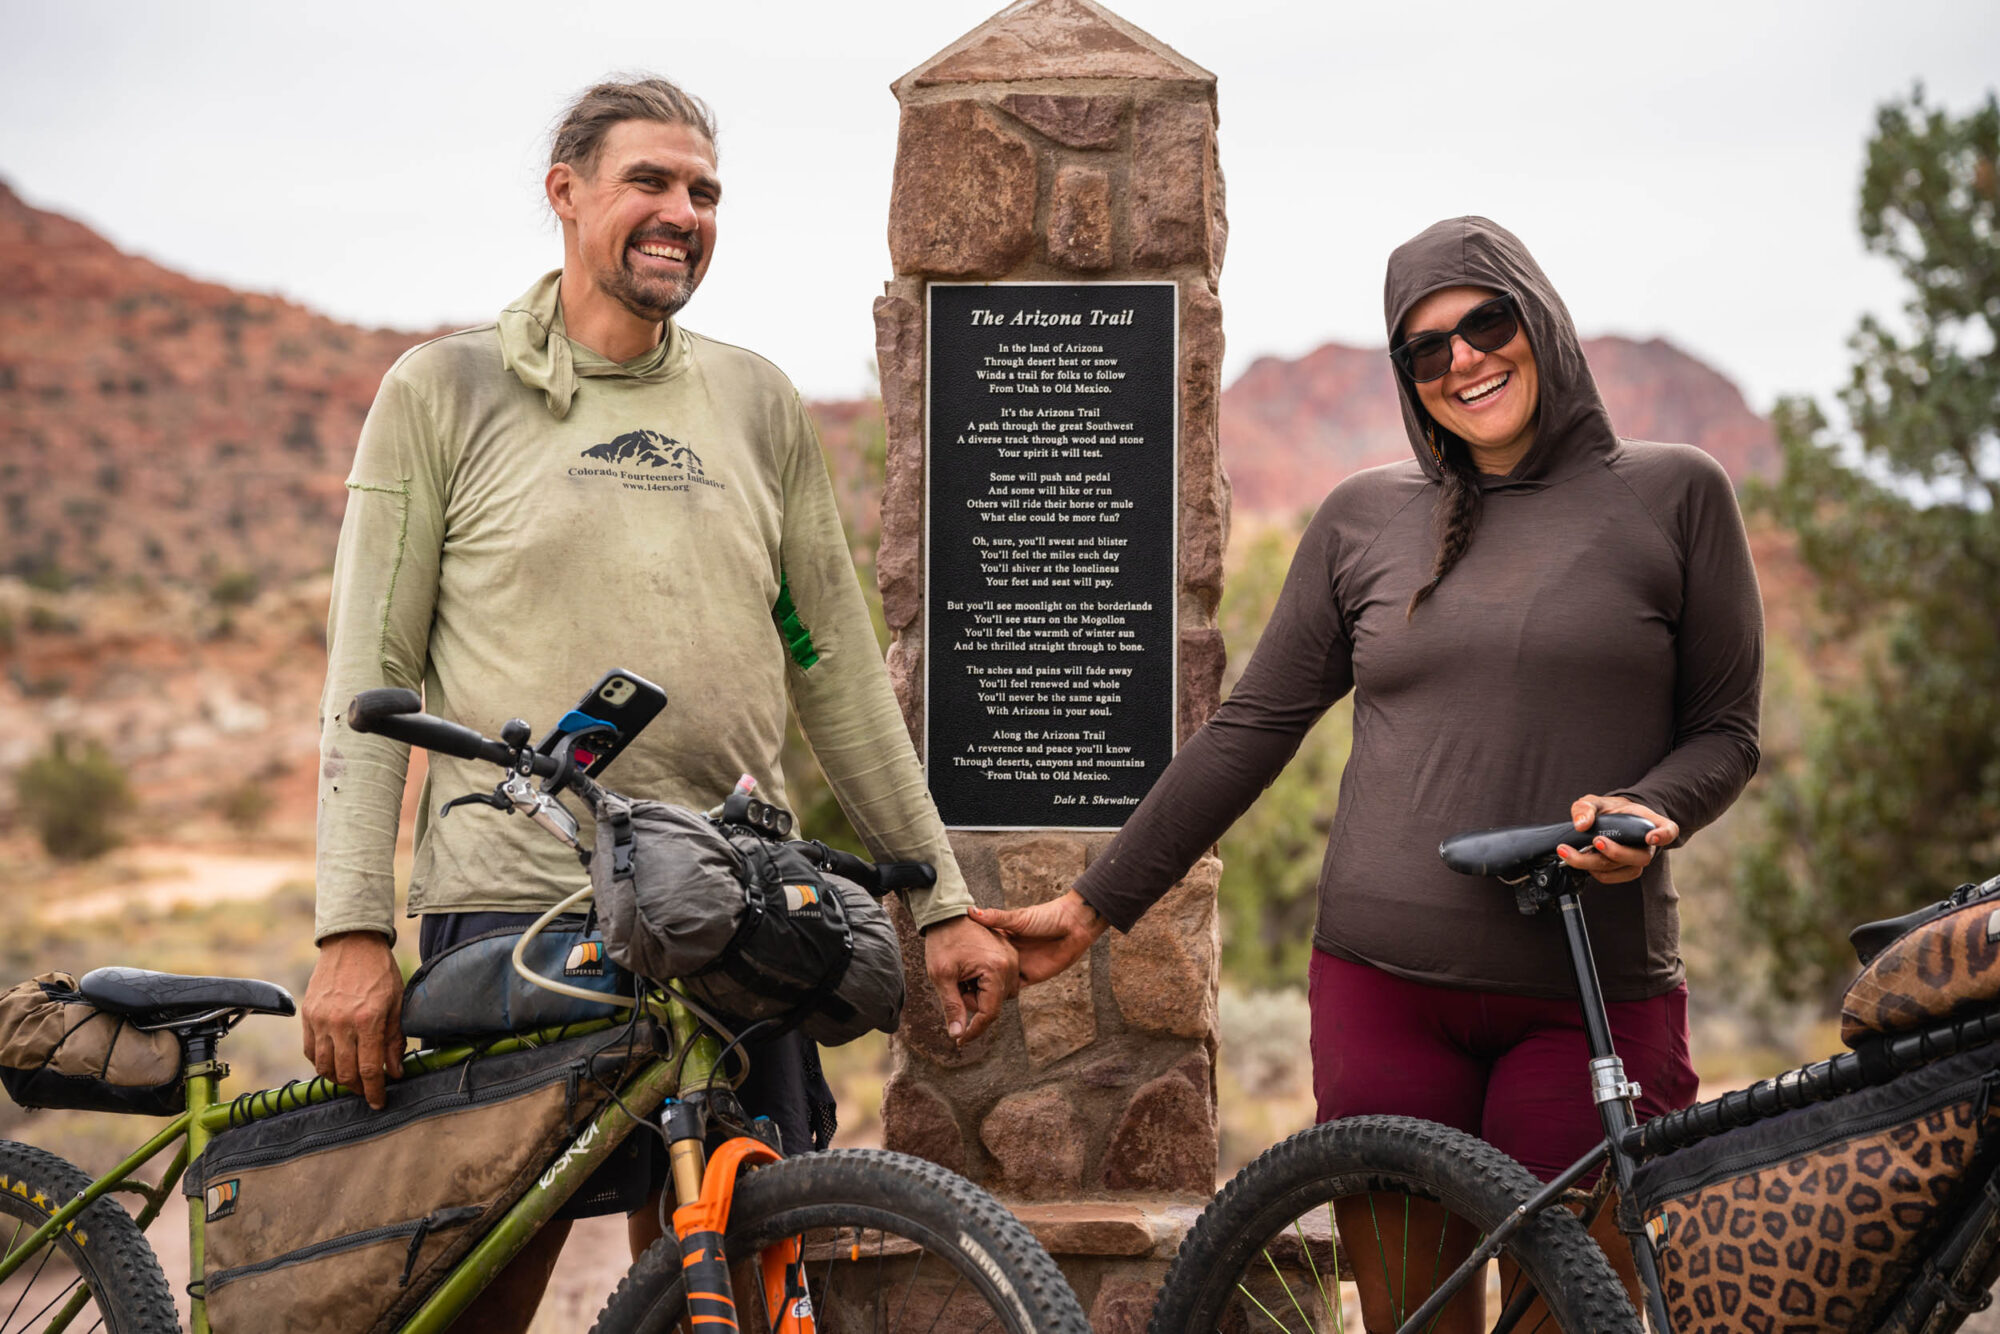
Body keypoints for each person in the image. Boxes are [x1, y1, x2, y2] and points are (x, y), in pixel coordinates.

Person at [300, 75, 1019, 1328]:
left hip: (735, 900)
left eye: (703, 191)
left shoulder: (755, 404)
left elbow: (837, 665)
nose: (680, 211)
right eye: (650, 181)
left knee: (732, 1270)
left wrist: (939, 896)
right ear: (565, 191)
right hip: (523, 906)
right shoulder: (443, 392)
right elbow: (368, 681)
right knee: (483, 1284)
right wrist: (350, 927)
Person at [975, 216, 1763, 1326]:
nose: (1461, 360)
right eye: (1423, 348)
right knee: (1410, 1317)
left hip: (1588, 988)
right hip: (1381, 991)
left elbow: (1724, 731)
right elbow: (1251, 727)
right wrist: (1093, 903)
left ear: (1536, 317)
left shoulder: (1675, 494)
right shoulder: (1362, 518)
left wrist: (1652, 808)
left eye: (1482, 323)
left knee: (1573, 1309)